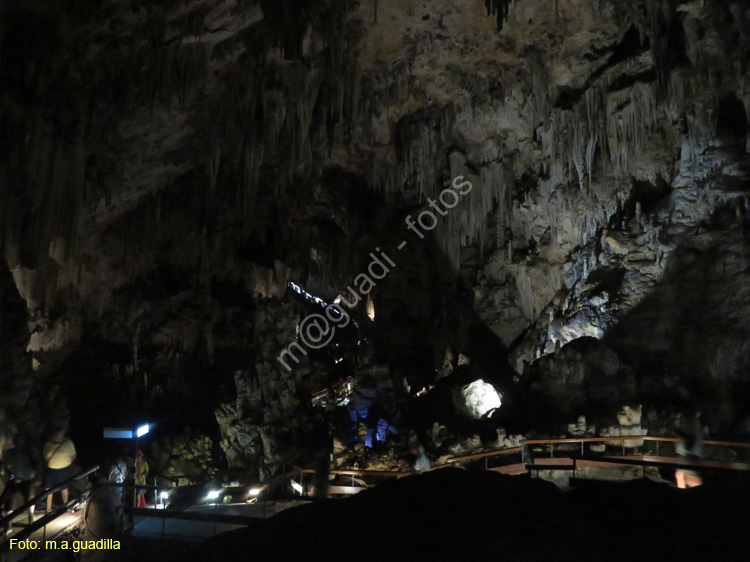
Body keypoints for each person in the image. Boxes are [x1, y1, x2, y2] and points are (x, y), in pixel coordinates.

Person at [1, 434, 41, 534]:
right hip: (16, 480)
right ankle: (8, 524)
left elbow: (36, 464)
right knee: (8, 502)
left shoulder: (29, 452)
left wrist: (37, 476)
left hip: (27, 479)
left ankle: (31, 518)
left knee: (29, 500)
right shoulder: (10, 453)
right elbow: (5, 467)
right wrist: (12, 477)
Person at [44, 428, 77, 513]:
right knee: (48, 489)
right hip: (51, 469)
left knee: (64, 488)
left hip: (63, 469)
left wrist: (64, 462)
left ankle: (65, 506)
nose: (57, 436)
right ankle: (48, 509)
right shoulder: (48, 444)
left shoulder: (68, 443)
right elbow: (45, 456)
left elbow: (73, 456)